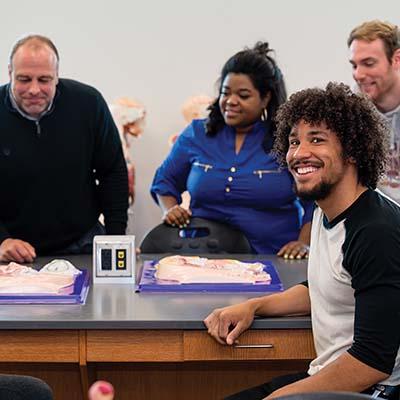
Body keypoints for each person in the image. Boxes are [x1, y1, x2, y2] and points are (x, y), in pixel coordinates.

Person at [204, 82, 400, 400]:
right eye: (294, 141)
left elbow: (372, 362)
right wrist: (254, 306)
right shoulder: (327, 210)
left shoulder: (376, 232)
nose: (299, 153)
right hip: (332, 377)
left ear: (352, 150)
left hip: (374, 390)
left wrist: (278, 399)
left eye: (316, 140)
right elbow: (326, 286)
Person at [150, 42, 313, 257]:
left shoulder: (285, 140)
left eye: (243, 95)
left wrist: (304, 243)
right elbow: (164, 182)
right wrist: (170, 209)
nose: (230, 102)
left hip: (273, 258)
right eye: (225, 93)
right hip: (205, 258)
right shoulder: (196, 134)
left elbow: (314, 199)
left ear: (266, 98)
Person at [0, 35, 129, 263]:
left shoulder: (88, 104)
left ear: (57, 76)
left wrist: (116, 238)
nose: (34, 89)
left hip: (82, 241)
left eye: (44, 79)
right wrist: (2, 241)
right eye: (23, 79)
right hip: (12, 249)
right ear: (9, 72)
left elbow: (112, 172)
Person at [348, 20, 400, 202]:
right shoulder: (352, 110)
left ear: (396, 59)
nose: (358, 75)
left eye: (368, 63)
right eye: (354, 65)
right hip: (379, 219)